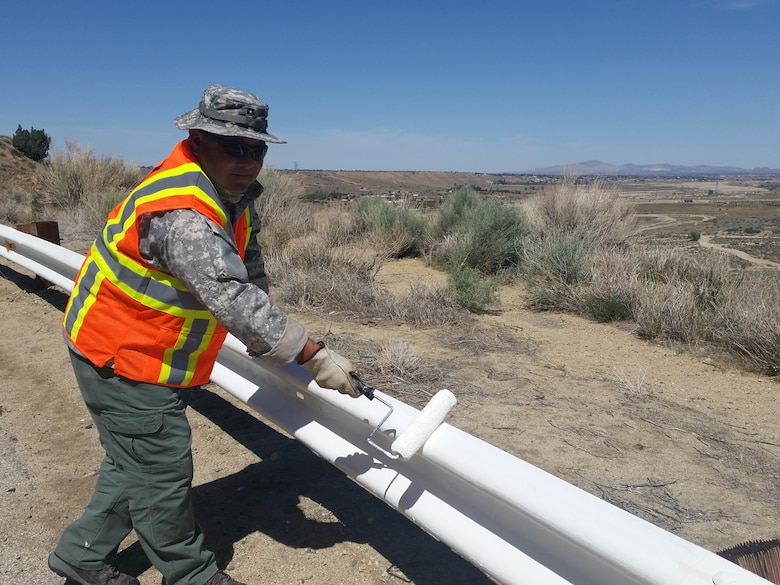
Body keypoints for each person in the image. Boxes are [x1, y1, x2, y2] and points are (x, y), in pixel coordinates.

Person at [47, 84, 360, 585]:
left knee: (137, 459)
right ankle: (191, 575)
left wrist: (271, 331)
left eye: (256, 149)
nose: (248, 160)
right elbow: (231, 296)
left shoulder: (229, 195)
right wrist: (310, 354)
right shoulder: (184, 211)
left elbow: (249, 277)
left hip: (136, 350)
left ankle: (81, 554)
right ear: (198, 138)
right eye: (234, 146)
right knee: (164, 471)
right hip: (123, 355)